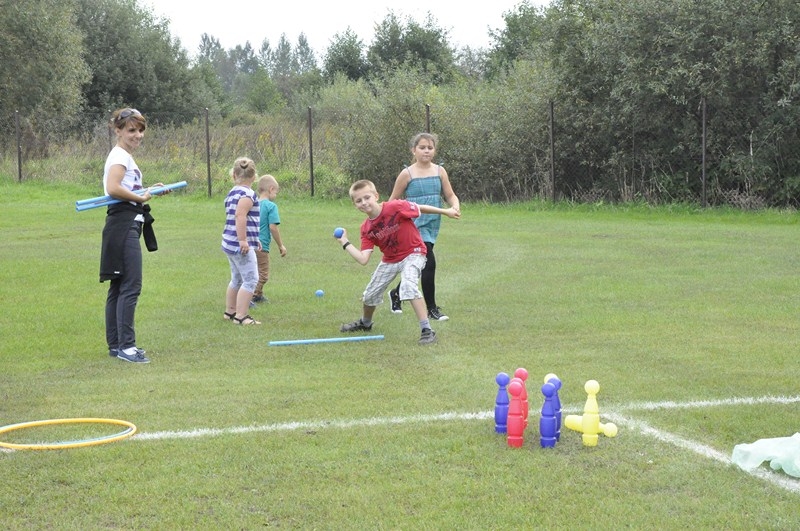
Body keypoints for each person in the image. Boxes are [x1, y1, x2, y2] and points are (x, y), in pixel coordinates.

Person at [335, 179, 460, 345]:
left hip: (414, 252)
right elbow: (363, 259)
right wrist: (345, 242)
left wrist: (446, 211)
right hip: (391, 259)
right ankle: (365, 323)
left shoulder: (394, 207)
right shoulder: (366, 228)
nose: (364, 203)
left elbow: (420, 208)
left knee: (408, 286)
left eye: (367, 197)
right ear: (355, 205)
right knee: (370, 294)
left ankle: (427, 330)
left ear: (376, 196)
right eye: (359, 201)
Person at [100, 107, 169, 363]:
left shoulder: (124, 156)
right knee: (130, 285)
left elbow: (126, 188)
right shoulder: (120, 156)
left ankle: (116, 345)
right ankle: (127, 348)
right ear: (117, 130)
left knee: (119, 285)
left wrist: (149, 190)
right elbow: (113, 188)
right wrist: (140, 197)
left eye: (140, 130)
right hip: (123, 224)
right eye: (131, 130)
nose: (138, 135)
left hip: (123, 223)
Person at [388, 132, 460, 321]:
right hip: (411, 225)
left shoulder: (440, 171)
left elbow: (450, 194)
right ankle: (432, 309)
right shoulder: (407, 174)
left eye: (430, 147)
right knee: (429, 262)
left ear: (434, 150)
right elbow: (393, 201)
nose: (426, 151)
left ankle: (396, 294)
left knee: (419, 265)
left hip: (432, 224)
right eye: (422, 147)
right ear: (414, 150)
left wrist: (455, 205)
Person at [221, 157, 261, 325]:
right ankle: (241, 316)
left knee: (236, 278)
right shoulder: (248, 194)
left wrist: (253, 239)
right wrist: (244, 240)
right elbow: (240, 216)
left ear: (234, 175)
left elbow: (243, 219)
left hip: (230, 243)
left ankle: (230, 311)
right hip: (239, 246)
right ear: (254, 176)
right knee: (251, 279)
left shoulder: (233, 192)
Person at [252, 174, 287, 304]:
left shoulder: (253, 204)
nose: (275, 195)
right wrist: (280, 245)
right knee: (263, 274)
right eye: (276, 192)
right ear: (271, 189)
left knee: (253, 271)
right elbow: (273, 228)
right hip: (262, 245)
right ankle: (251, 297)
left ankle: (258, 295)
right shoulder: (271, 207)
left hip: (250, 243)